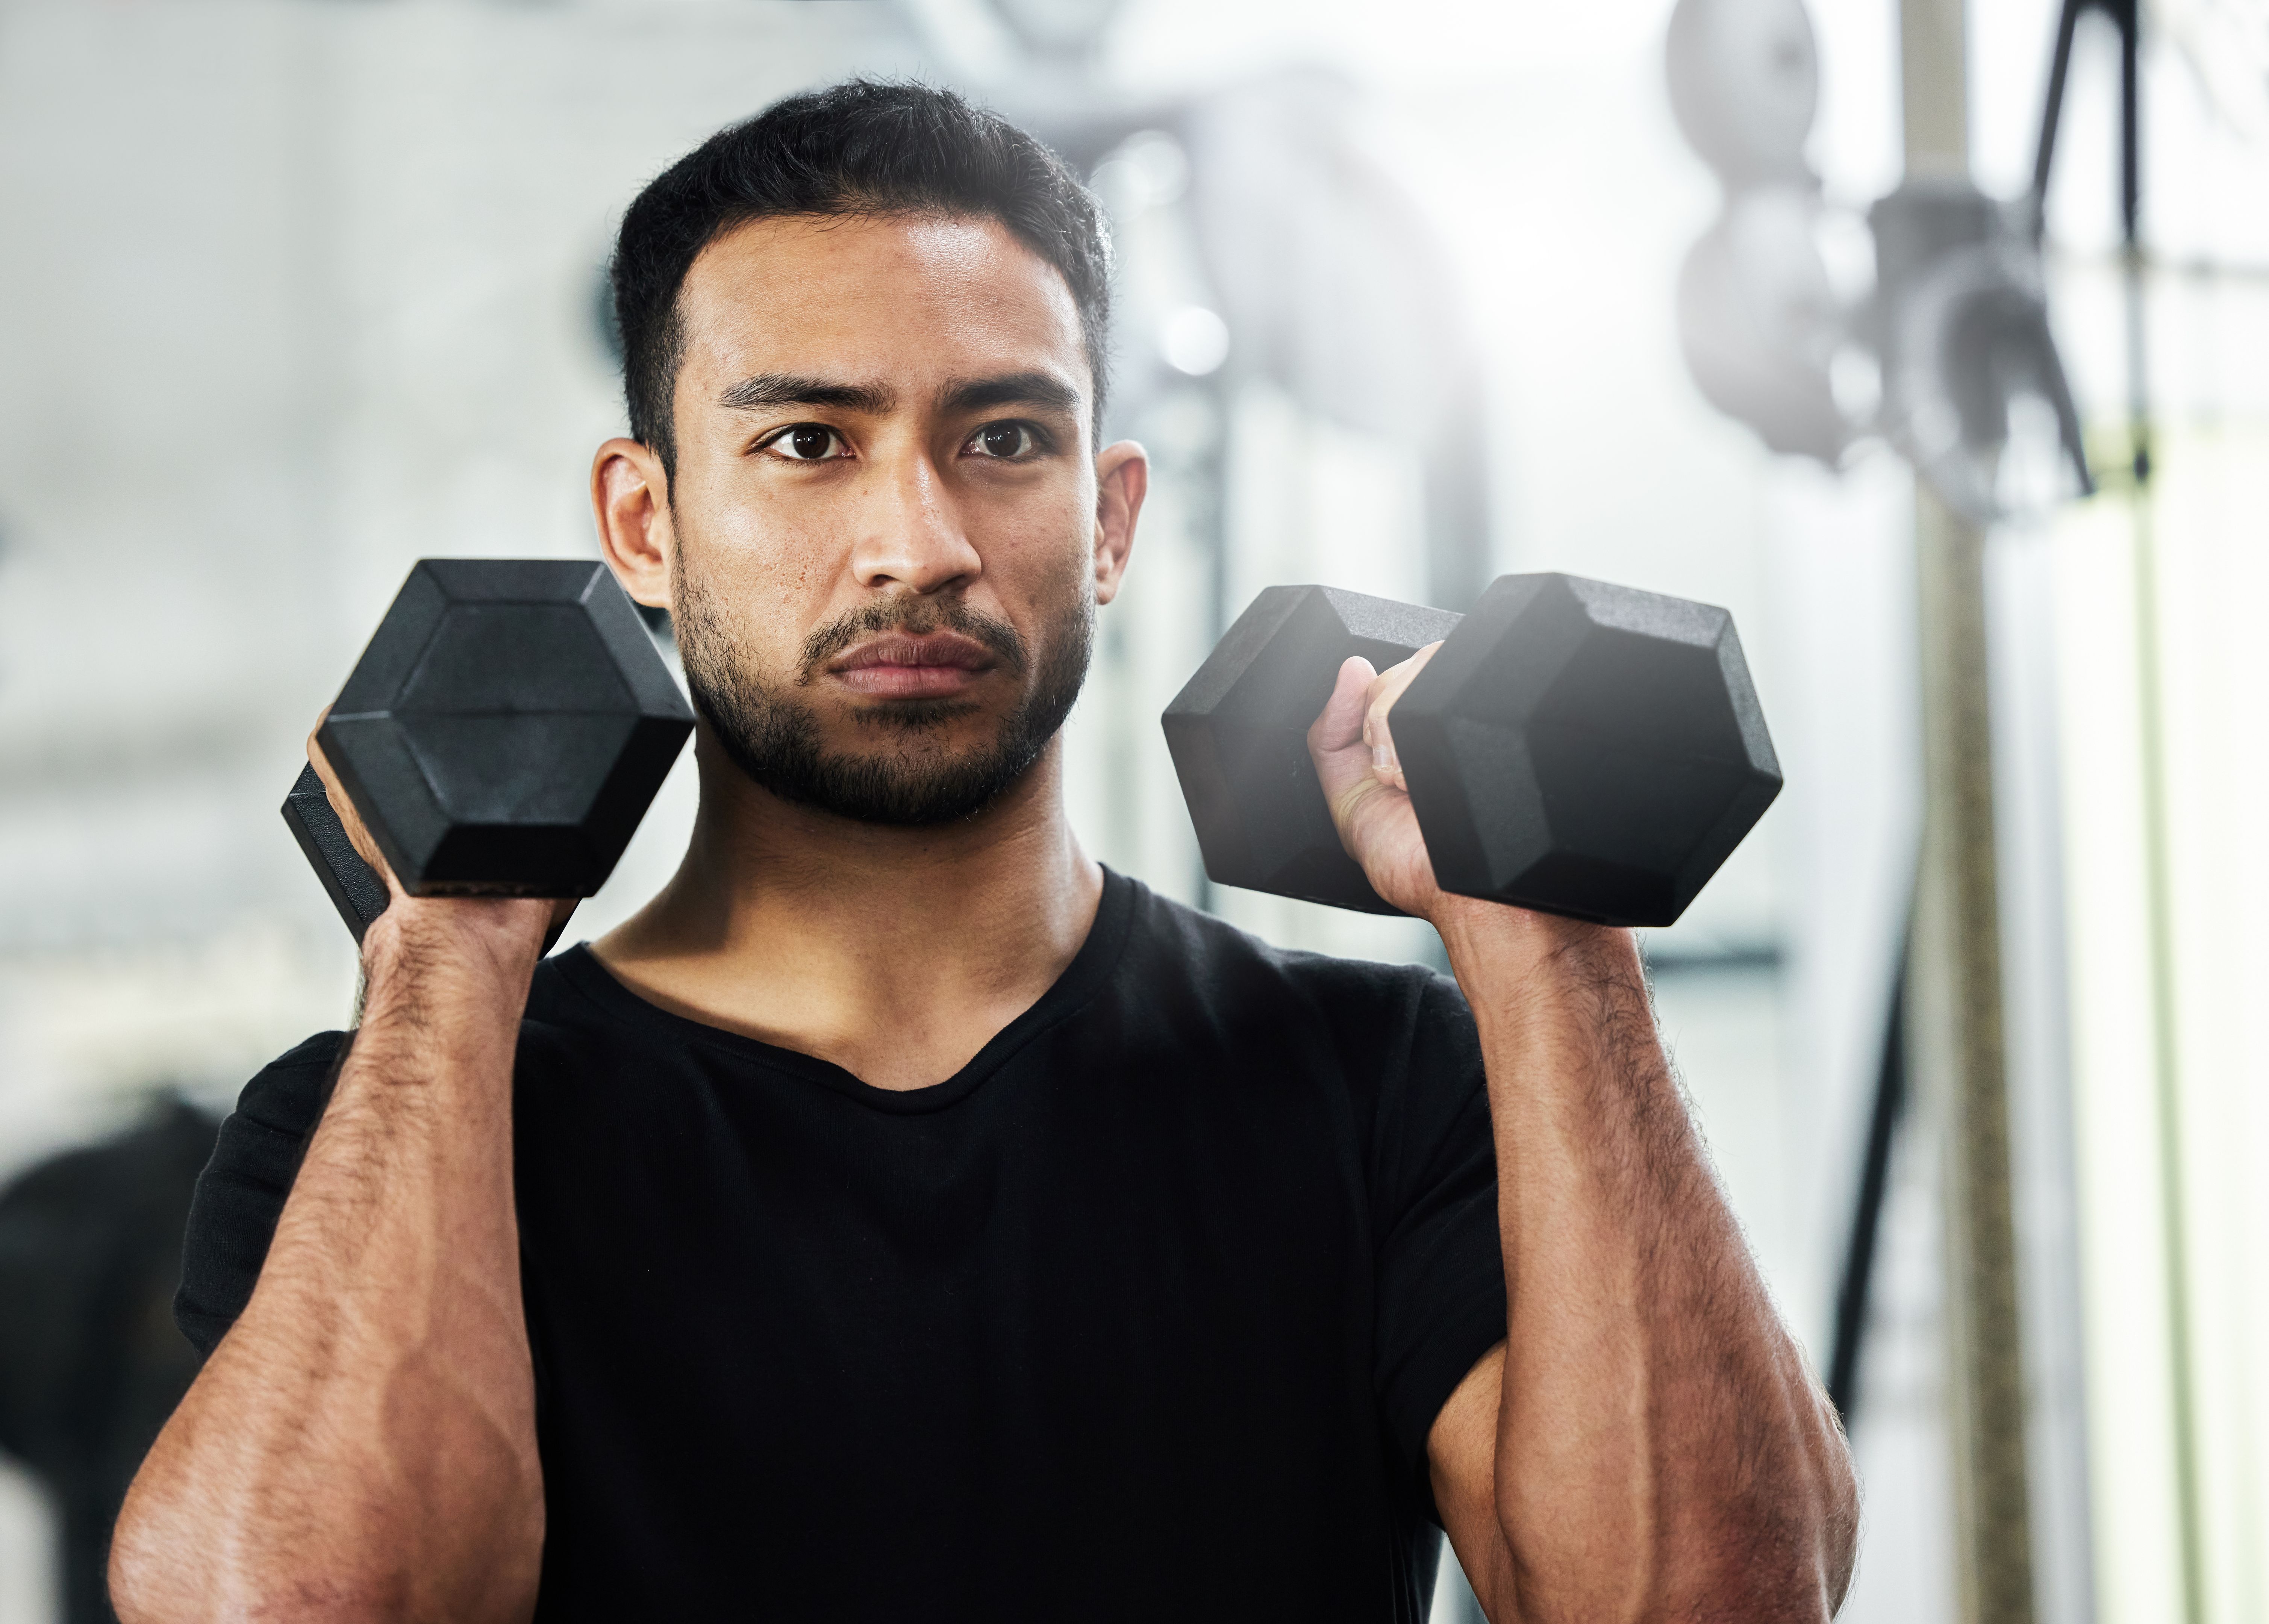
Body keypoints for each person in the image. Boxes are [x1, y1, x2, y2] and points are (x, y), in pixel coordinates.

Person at [110, 81, 1855, 1623]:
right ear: (643, 524)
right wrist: (445, 963)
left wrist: (1542, 935)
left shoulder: (1382, 1086)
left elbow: (1712, 1604)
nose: (919, 543)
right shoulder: (392, 1125)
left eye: (1004, 439)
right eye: (808, 445)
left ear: (1107, 518)